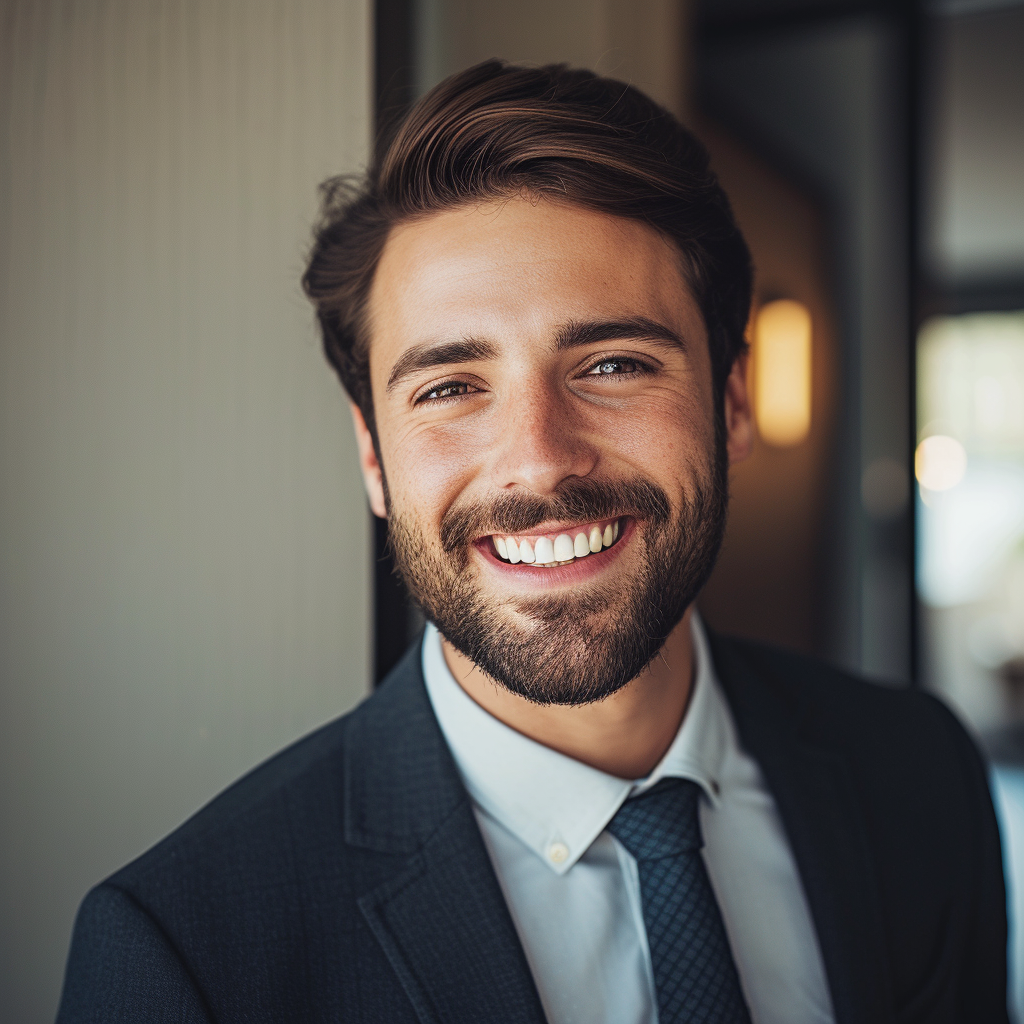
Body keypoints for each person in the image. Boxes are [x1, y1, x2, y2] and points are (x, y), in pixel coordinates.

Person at [56, 60, 1008, 1024]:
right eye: (450, 387)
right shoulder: (185, 953)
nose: (541, 463)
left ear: (730, 403)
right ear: (374, 458)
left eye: (612, 364)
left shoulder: (919, 771)